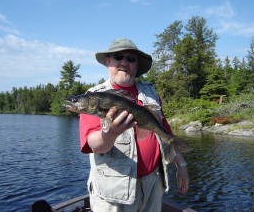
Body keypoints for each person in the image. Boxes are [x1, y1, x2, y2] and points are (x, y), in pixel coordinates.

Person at [79, 38, 189, 212]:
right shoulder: (94, 97)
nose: (124, 62)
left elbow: (165, 133)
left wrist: (181, 165)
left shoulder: (151, 94)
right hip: (115, 192)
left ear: (137, 65)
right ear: (108, 61)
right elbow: (94, 144)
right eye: (118, 57)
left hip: (153, 184)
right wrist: (111, 134)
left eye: (131, 59)